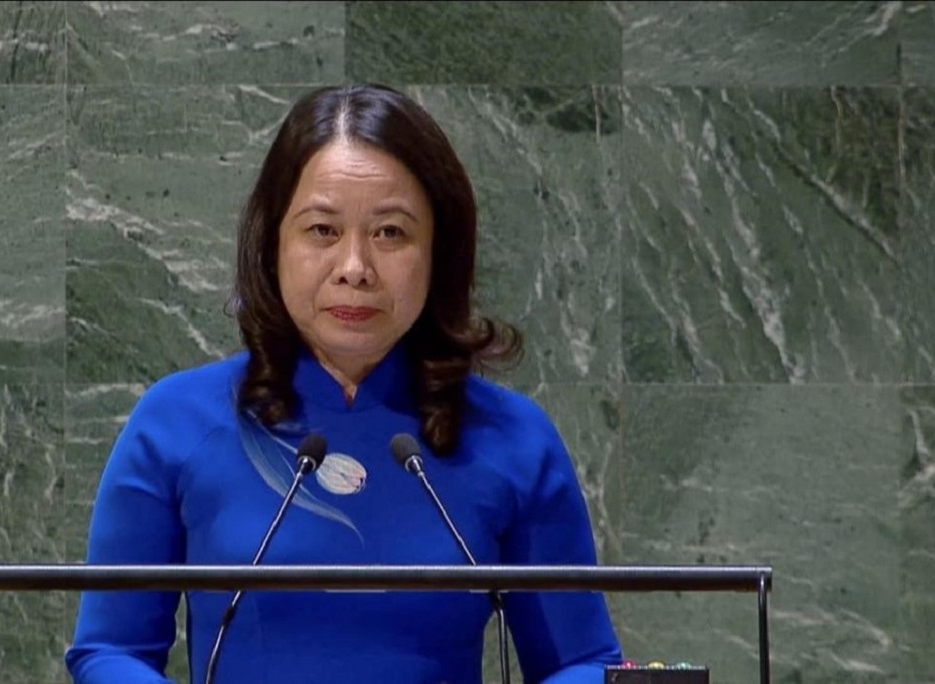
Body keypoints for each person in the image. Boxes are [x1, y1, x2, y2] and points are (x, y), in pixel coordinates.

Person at [66, 83, 622, 683]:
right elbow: (111, 651)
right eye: (322, 231)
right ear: (273, 243)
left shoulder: (513, 438)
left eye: (390, 233)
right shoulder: (176, 423)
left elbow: (583, 662)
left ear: (440, 250)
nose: (355, 269)